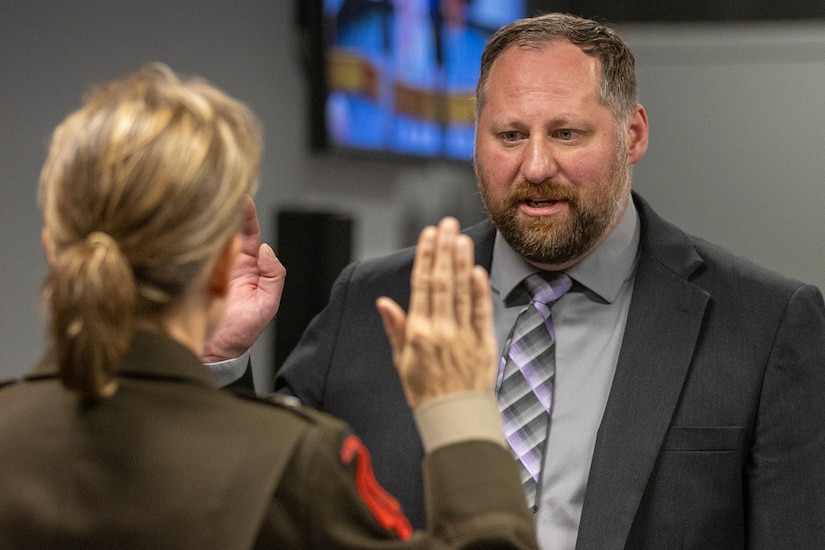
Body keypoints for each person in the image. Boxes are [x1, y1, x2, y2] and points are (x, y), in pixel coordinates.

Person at [275, 12, 825, 549]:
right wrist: (222, 359)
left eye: (565, 134)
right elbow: (263, 498)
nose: (535, 167)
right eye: (510, 135)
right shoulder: (373, 301)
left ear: (632, 135)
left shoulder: (767, 326)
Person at [0, 64, 538, 549]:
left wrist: (213, 352)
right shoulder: (291, 467)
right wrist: (460, 410)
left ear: (53, 248)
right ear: (217, 268)